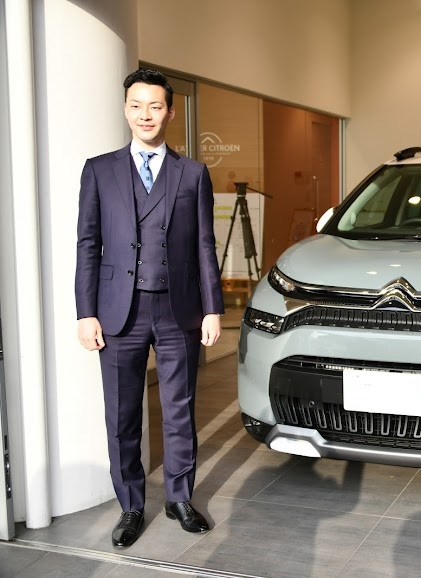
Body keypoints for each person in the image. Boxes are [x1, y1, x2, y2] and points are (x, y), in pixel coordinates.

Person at [75, 69, 224, 548]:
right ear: (125, 109)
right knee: (122, 415)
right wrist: (85, 311)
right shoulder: (98, 169)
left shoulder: (193, 173)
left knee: (178, 408)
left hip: (178, 308)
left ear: (170, 112)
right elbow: (88, 243)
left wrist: (213, 309)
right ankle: (131, 506)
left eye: (155, 106)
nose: (146, 114)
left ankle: (180, 498)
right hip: (118, 311)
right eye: (137, 105)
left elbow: (205, 245)